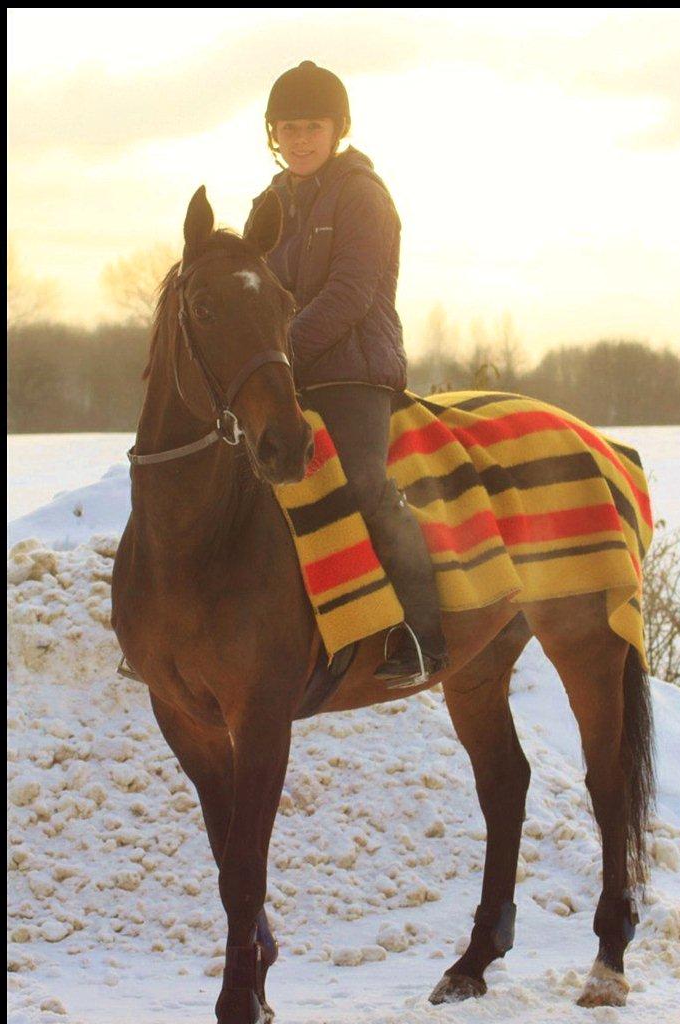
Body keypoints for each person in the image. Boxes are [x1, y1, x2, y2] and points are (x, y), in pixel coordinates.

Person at [244, 60, 449, 688]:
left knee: (364, 487)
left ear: (338, 129)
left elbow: (351, 292)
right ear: (272, 133)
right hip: (286, 371)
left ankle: (424, 634)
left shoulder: (363, 194)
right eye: (288, 127)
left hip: (354, 370)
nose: (300, 138)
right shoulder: (269, 202)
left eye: (312, 126)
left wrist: (282, 351)